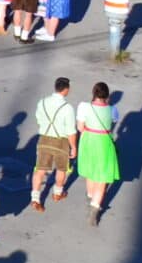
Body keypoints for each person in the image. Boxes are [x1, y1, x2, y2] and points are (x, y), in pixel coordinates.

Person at [29, 77, 81, 210]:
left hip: (44, 138)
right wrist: (73, 147)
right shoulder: (67, 108)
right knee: (61, 169)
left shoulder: (42, 102)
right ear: (66, 89)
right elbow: (70, 130)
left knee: (40, 170)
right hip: (61, 141)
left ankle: (35, 198)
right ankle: (57, 193)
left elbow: (38, 118)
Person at [76, 81, 123, 226]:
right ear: (107, 95)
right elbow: (112, 124)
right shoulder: (113, 109)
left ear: (93, 93)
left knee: (91, 172)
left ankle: (90, 198)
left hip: (89, 140)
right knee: (102, 177)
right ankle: (94, 209)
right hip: (104, 141)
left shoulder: (84, 107)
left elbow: (80, 127)